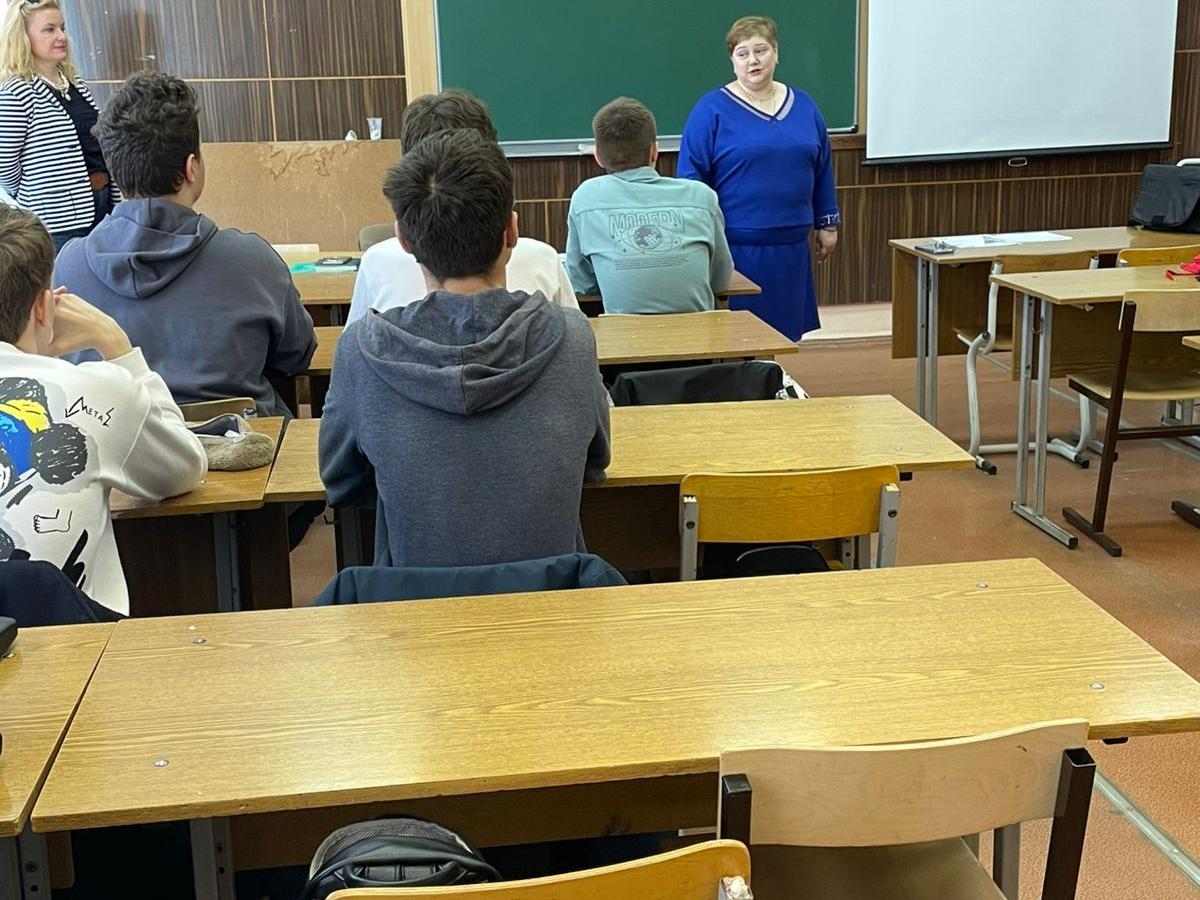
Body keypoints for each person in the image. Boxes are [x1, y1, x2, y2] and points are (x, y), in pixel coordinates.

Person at [320, 129, 610, 567]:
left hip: (417, 603)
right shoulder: (573, 338)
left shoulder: (360, 351)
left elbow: (342, 482)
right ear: (512, 231)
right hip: (550, 601)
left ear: (403, 240)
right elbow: (594, 462)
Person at [53, 71, 316, 418]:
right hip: (243, 445)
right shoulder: (253, 261)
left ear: (115, 170)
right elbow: (296, 355)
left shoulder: (68, 266)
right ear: (192, 167)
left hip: (118, 447)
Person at [0, 204, 206, 615]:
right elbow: (185, 467)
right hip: (75, 646)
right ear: (43, 307)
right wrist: (116, 344)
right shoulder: (95, 387)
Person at [346, 89, 579, 325]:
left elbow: (354, 342)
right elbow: (574, 338)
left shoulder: (376, 263)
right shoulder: (543, 261)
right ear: (511, 228)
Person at [677, 15, 840, 340]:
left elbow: (822, 168)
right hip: (735, 250)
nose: (753, 60)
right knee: (738, 337)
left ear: (776, 53)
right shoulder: (710, 110)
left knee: (785, 336)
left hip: (792, 246)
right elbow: (691, 181)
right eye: (743, 53)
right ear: (732, 61)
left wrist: (828, 225)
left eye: (761, 50)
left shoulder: (804, 105)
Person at [566, 97, 733, 314]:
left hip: (624, 334)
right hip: (698, 331)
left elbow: (582, 283)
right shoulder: (702, 196)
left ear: (598, 156)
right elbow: (721, 280)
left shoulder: (587, 197)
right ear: (654, 151)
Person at [0, 0, 119, 252]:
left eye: (62, 28)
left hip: (102, 205)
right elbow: (5, 166)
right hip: (58, 219)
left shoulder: (75, 83)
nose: (62, 36)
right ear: (23, 37)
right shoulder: (16, 92)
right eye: (49, 29)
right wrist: (37, 194)